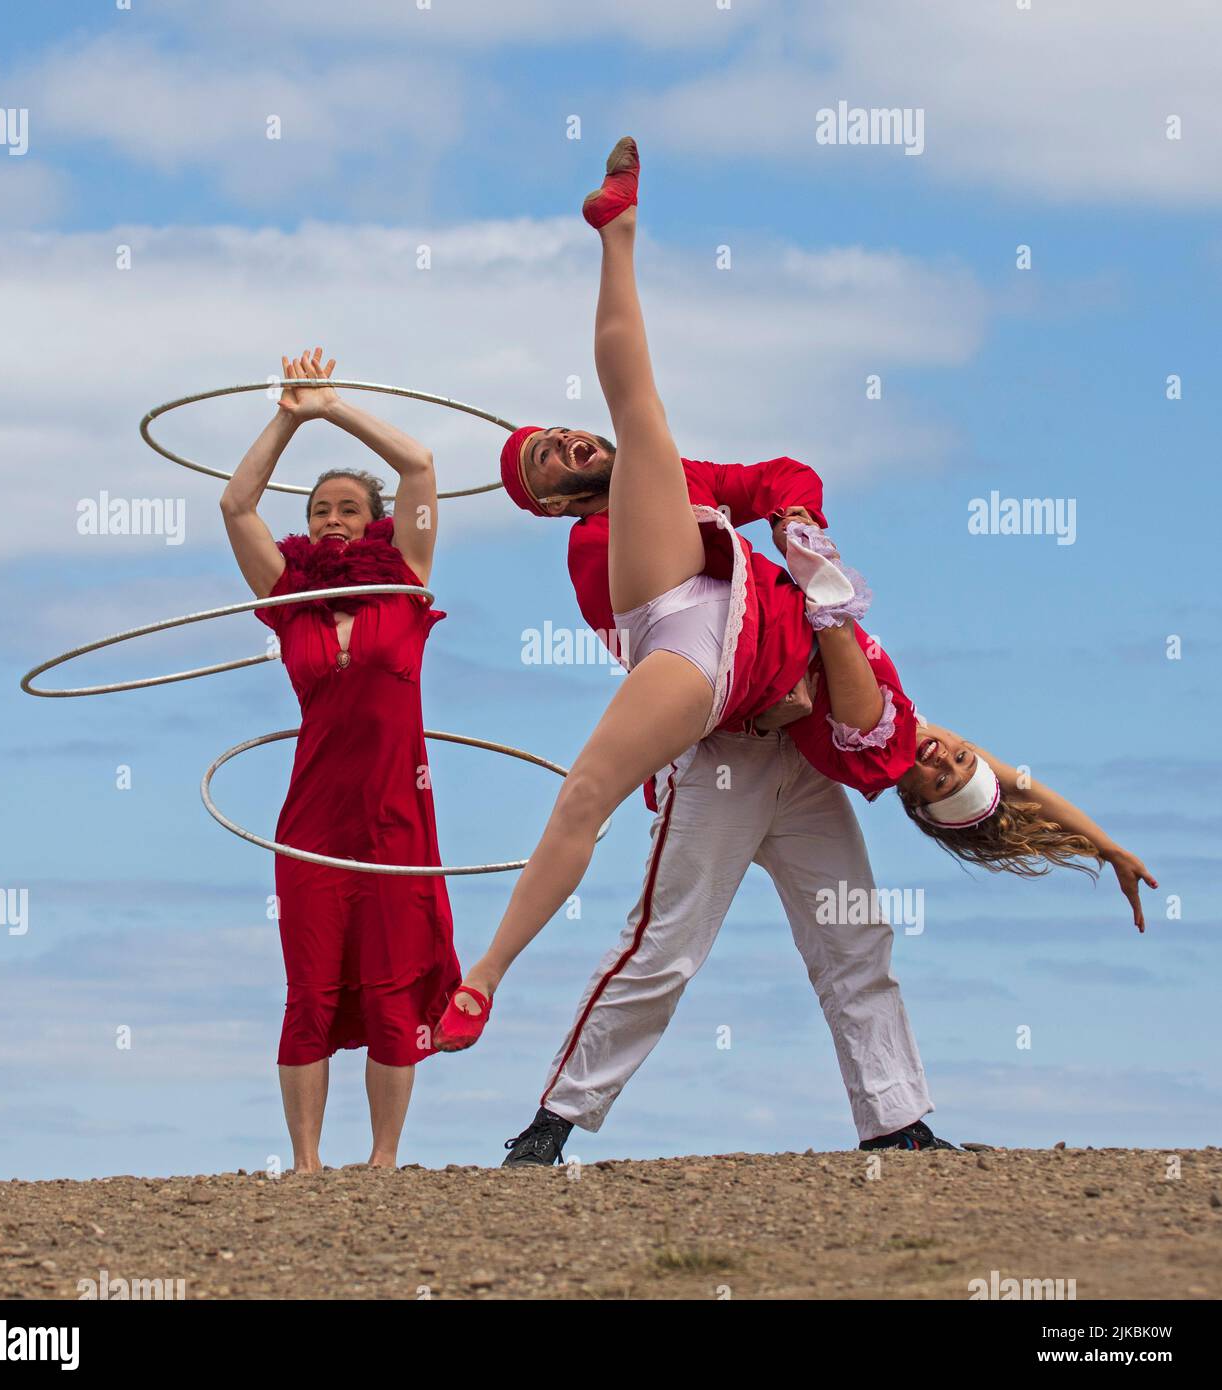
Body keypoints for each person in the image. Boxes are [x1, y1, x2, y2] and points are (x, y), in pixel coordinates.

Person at [434, 139, 1155, 1065]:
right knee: (641, 417)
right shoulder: (601, 535)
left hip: (726, 659)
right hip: (678, 625)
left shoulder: (883, 740)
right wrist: (1109, 844)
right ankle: (618, 236)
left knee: (606, 804)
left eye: (554, 439)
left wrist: (793, 526)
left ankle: (480, 980)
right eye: (545, 458)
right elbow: (1004, 773)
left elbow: (779, 477)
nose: (560, 443)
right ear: (553, 505)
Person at [221, 347, 460, 1171]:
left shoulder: (409, 579)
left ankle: (384, 1159)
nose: (331, 518)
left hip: (396, 815)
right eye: (321, 507)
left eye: (349, 508)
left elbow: (421, 464)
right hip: (314, 819)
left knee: (393, 991)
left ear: (373, 520)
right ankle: (307, 1163)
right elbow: (235, 502)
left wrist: (333, 405)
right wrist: (287, 416)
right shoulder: (290, 600)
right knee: (310, 991)